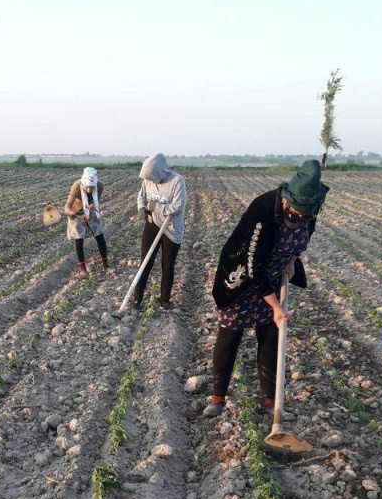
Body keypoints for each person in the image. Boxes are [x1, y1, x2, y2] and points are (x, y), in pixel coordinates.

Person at [204, 160, 328, 418]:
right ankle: (217, 399)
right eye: (294, 215)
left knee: (271, 337)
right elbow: (253, 265)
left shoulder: (310, 212)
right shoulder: (261, 210)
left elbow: (303, 238)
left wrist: (292, 259)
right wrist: (275, 307)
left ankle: (270, 401)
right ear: (285, 201)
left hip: (273, 276)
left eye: (305, 216)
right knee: (230, 334)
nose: (299, 220)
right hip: (240, 279)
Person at [134, 153, 186, 309]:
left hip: (171, 228)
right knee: (145, 262)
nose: (149, 179)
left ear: (159, 171)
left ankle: (165, 300)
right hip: (152, 225)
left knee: (167, 265)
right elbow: (141, 196)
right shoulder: (147, 181)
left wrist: (156, 207)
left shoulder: (176, 181)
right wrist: (142, 208)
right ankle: (137, 298)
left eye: (151, 175)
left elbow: (177, 206)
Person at [64, 167, 109, 278]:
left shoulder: (99, 186)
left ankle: (106, 265)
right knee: (79, 239)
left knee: (99, 235)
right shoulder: (76, 186)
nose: (89, 190)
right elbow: (67, 205)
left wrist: (88, 213)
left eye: (91, 187)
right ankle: (83, 269)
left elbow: (93, 202)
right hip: (76, 209)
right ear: (82, 184)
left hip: (92, 208)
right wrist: (70, 213)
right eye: (86, 187)